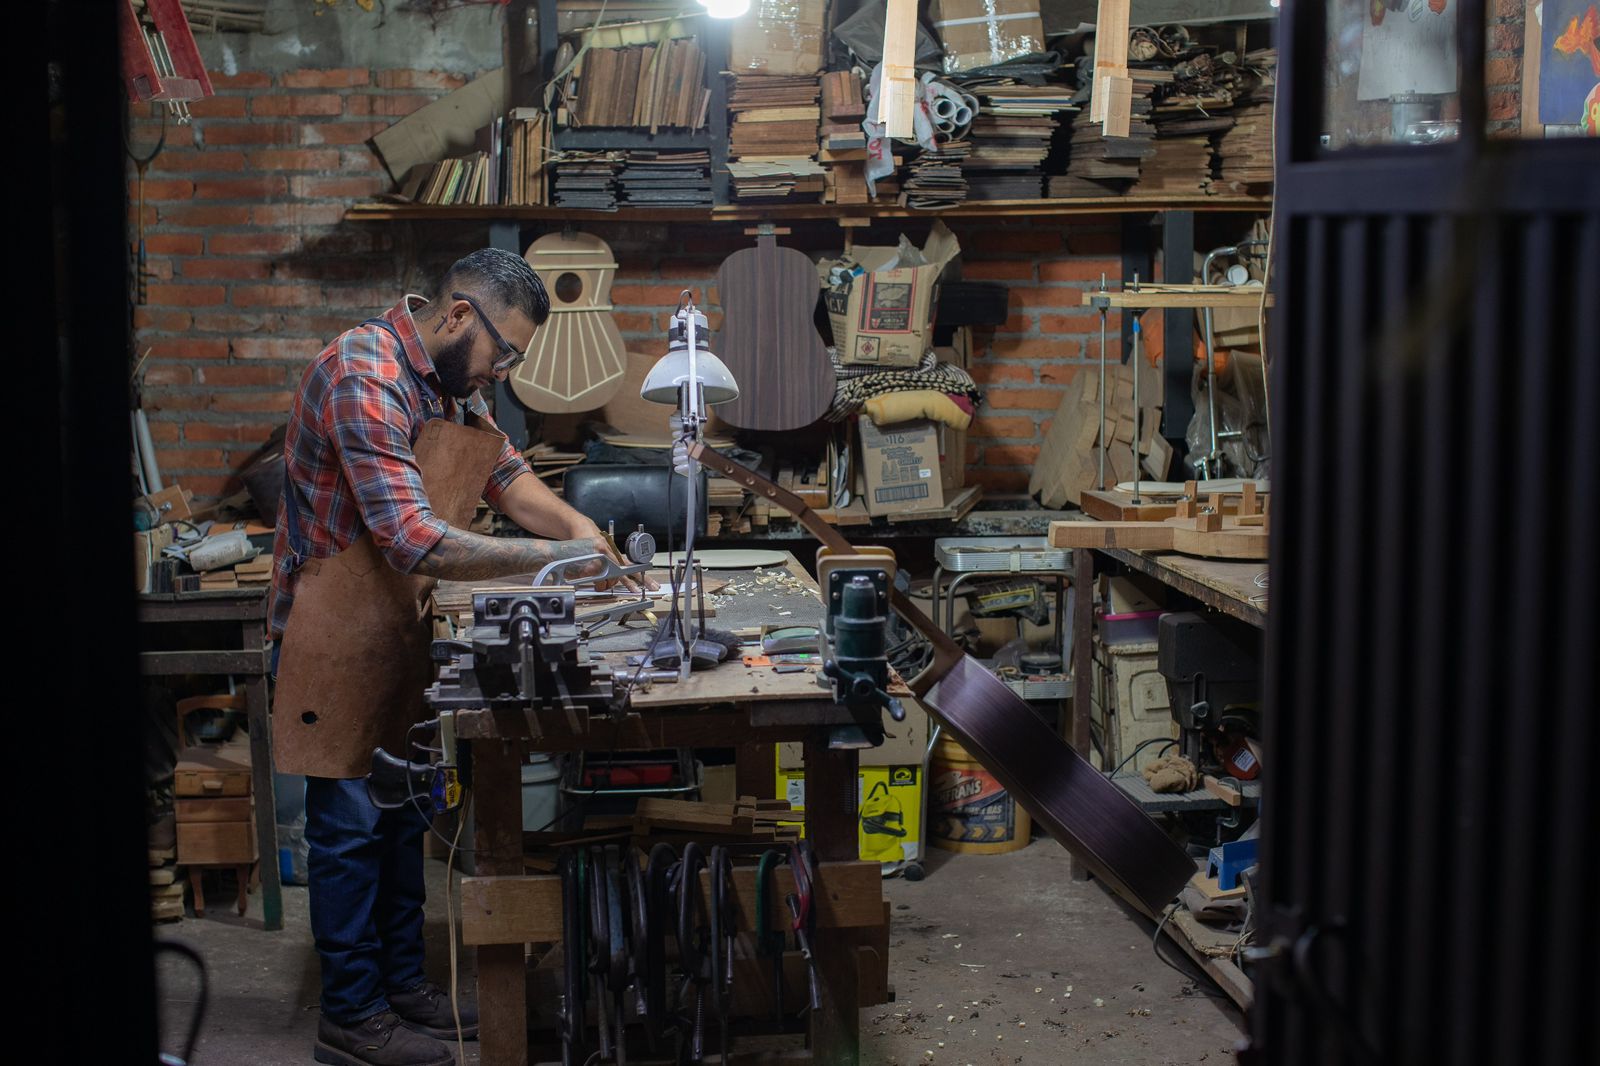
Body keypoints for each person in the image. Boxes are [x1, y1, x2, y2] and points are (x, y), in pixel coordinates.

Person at [268, 248, 647, 1066]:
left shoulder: (448, 379)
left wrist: (580, 529)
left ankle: (403, 987)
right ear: (459, 316)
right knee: (350, 831)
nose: (502, 375)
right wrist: (554, 564)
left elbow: (504, 472)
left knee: (403, 816)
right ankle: (352, 1014)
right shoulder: (365, 376)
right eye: (502, 355)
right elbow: (413, 539)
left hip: (395, 621)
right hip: (331, 632)